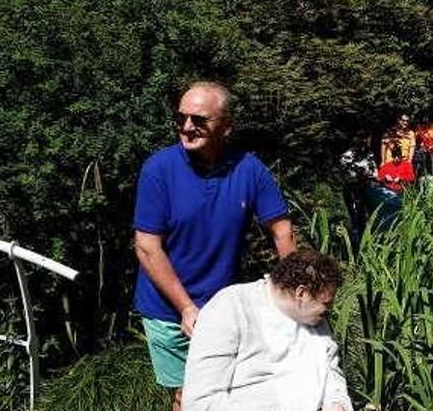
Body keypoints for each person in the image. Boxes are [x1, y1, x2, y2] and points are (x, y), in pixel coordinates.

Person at [133, 81, 296, 410]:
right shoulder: (159, 170)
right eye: (181, 119)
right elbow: (147, 247)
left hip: (223, 305)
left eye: (198, 120)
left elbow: (282, 231)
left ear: (226, 126)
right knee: (188, 396)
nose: (187, 127)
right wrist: (186, 308)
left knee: (232, 390)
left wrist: (295, 288)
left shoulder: (249, 169)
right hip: (168, 309)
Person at [183, 249, 353, 411]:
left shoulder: (313, 317)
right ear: (301, 293)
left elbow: (331, 370)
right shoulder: (230, 308)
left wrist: (337, 402)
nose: (329, 310)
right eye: (326, 303)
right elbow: (200, 403)